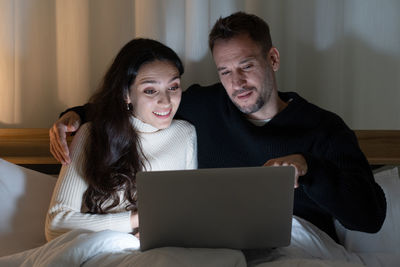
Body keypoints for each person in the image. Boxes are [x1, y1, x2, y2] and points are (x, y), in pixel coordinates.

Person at [49, 12, 386, 243]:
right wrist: (76, 115)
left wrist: (309, 167)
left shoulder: (323, 128)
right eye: (225, 71)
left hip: (299, 242)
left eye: (247, 66)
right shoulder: (205, 106)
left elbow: (370, 218)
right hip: (223, 246)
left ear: (273, 59)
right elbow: (138, 102)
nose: (236, 82)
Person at [45, 38, 197, 241]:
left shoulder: (185, 134)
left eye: (174, 87)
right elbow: (56, 225)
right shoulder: (91, 135)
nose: (166, 101)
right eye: (150, 90)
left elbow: (188, 212)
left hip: (160, 249)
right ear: (126, 94)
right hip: (102, 250)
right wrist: (137, 220)